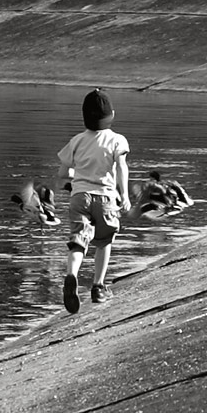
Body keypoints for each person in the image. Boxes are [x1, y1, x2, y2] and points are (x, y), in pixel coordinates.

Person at [57, 88, 132, 314]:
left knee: (78, 241)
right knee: (104, 241)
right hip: (106, 197)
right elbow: (121, 167)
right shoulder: (117, 140)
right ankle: (98, 287)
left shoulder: (77, 141)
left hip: (79, 197)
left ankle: (71, 274)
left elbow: (63, 173)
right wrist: (124, 195)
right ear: (112, 115)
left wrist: (77, 177)